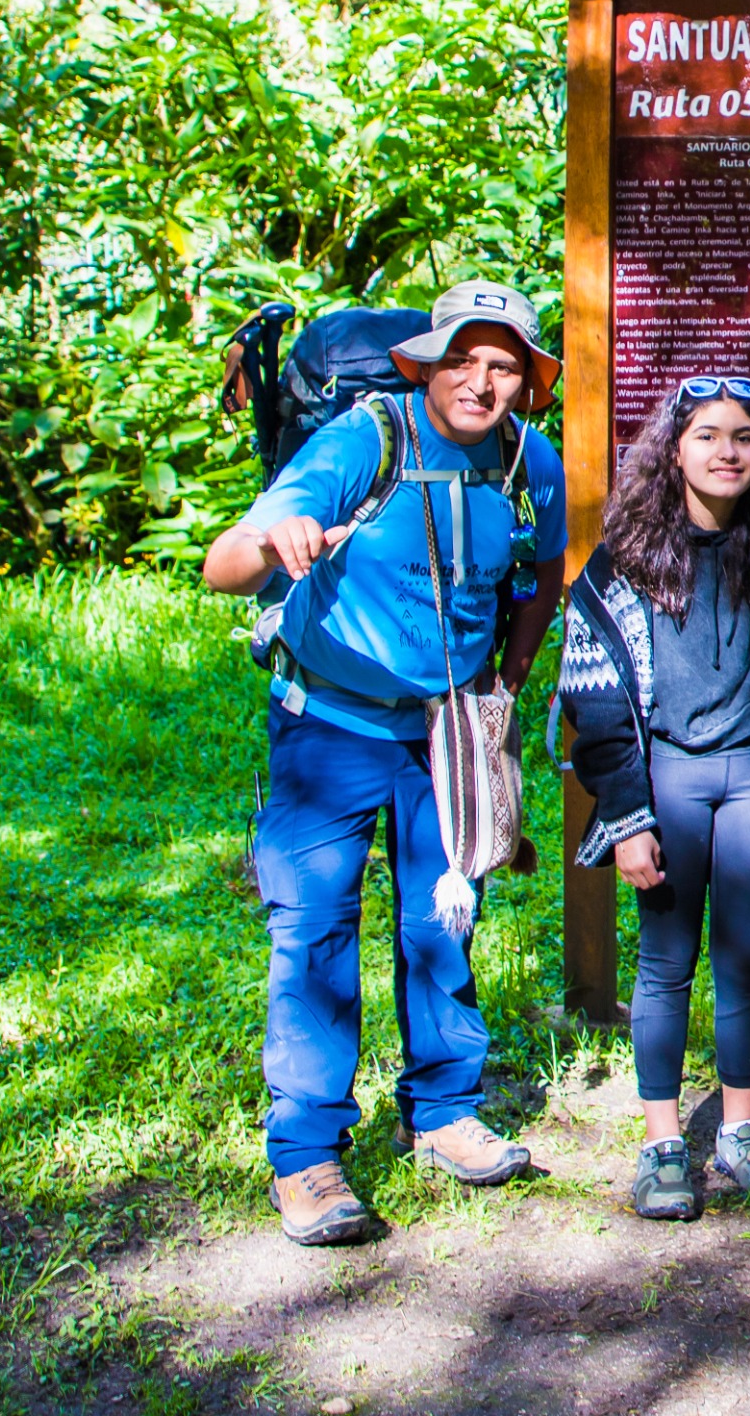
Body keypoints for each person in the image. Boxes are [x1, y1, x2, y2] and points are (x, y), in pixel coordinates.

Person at [201, 280, 567, 1247]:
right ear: (426, 361)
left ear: (529, 383)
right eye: (463, 360)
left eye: (504, 367)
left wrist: (509, 682)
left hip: (447, 732)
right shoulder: (366, 440)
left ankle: (444, 1112)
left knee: (445, 919)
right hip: (328, 724)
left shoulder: (532, 463)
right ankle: (308, 1155)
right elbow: (223, 564)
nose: (481, 383)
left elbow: (538, 576)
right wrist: (268, 542)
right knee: (315, 931)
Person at [559, 374, 750, 1221]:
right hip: (667, 774)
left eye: (743, 436)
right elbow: (591, 700)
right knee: (667, 958)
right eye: (707, 435)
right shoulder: (621, 560)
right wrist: (626, 818)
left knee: (745, 953)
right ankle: (665, 1141)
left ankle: (739, 1129)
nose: (726, 451)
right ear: (673, 447)